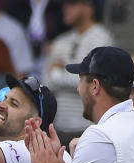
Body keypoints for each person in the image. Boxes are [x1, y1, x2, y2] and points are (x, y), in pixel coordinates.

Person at [46, 0, 113, 146]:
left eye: (72, 4)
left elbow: (94, 83)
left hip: (88, 126)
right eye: (65, 4)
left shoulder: (102, 38)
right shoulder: (60, 41)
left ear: (89, 7)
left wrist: (58, 73)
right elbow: (47, 81)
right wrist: (73, 75)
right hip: (59, 127)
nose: (66, 8)